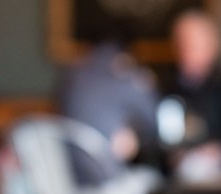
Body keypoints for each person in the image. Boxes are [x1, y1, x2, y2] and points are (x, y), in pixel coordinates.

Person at [56, 33, 160, 184]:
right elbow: (153, 123)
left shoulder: (70, 78)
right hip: (105, 178)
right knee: (153, 180)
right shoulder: (127, 78)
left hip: (66, 180)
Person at [163, 10, 221, 175]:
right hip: (172, 171)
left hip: (218, 169)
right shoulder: (163, 84)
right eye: (182, 42)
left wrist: (219, 146)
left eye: (193, 43)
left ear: (211, 46)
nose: (186, 49)